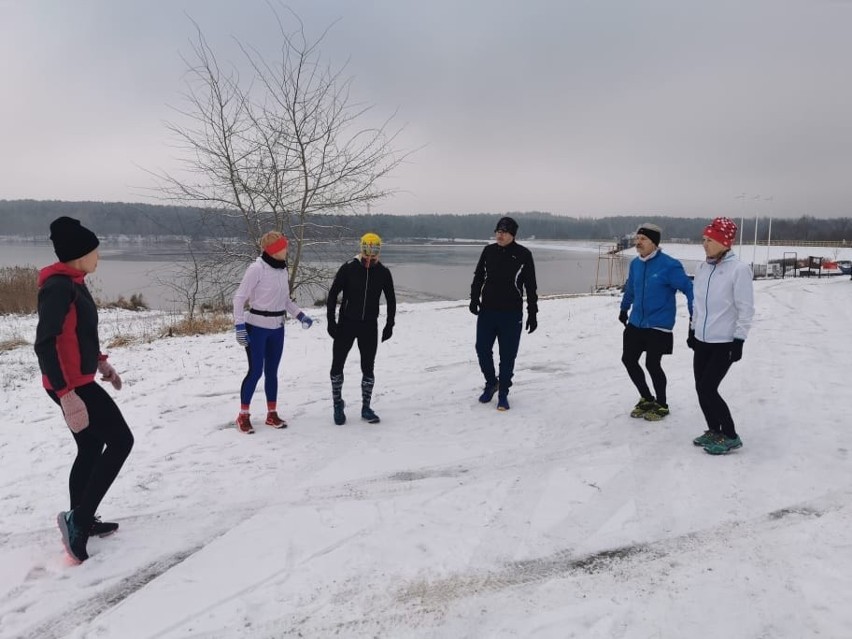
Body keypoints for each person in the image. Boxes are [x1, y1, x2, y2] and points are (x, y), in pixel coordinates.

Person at [34, 216, 135, 563]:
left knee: (91, 446)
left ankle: (82, 517)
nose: (98, 257)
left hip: (79, 380)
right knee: (122, 440)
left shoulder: (75, 282)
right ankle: (77, 520)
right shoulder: (59, 287)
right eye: (95, 252)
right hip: (70, 386)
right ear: (79, 255)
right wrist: (66, 394)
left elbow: (78, 334)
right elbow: (44, 344)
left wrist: (102, 363)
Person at [232, 231, 314, 434]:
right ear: (274, 250)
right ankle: (243, 415)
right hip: (256, 328)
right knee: (255, 371)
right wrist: (239, 325)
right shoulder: (256, 268)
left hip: (277, 328)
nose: (287, 250)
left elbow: (285, 301)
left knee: (272, 373)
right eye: (283, 247)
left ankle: (271, 413)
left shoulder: (282, 270)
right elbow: (239, 298)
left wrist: (300, 315)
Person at [688, 217, 754, 455]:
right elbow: (697, 304)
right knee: (699, 387)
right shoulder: (702, 267)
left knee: (708, 388)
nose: (704, 244)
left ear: (724, 242)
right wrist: (692, 329)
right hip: (703, 340)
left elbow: (746, 309)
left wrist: (739, 340)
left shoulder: (739, 269)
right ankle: (713, 430)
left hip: (724, 342)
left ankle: (730, 435)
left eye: (710, 240)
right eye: (704, 239)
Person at [619, 223, 694, 421]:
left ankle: (661, 404)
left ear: (654, 243)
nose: (638, 243)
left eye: (643, 239)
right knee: (628, 359)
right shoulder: (635, 264)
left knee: (652, 364)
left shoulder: (670, 265)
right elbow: (631, 289)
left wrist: (694, 314)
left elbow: (688, 288)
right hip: (636, 322)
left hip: (659, 324)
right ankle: (646, 398)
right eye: (637, 239)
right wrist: (624, 308)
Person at [326, 232, 396, 425]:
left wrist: (390, 324)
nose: (370, 257)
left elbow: (391, 299)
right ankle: (337, 404)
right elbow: (332, 295)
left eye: (374, 253)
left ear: (379, 251)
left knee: (368, 366)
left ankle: (366, 406)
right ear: (362, 248)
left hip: (369, 326)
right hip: (347, 323)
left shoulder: (383, 272)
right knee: (337, 364)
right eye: (367, 252)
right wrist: (330, 321)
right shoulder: (349, 268)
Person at [469, 216, 538, 411]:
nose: (499, 235)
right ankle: (492, 382)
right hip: (487, 311)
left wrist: (532, 313)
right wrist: (474, 299)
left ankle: (503, 393)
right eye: (497, 231)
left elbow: (531, 287)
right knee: (482, 350)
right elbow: (478, 277)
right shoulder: (488, 251)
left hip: (511, 314)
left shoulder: (523, 254)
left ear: (512, 235)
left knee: (507, 356)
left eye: (504, 232)